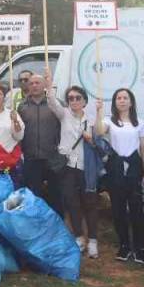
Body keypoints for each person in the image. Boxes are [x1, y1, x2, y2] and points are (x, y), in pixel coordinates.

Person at [97, 87, 144, 264]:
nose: (122, 100)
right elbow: (99, 132)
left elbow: (143, 148)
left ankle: (140, 248)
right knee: (118, 208)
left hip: (134, 166)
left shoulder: (140, 123)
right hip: (116, 167)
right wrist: (98, 112)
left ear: (131, 101)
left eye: (125, 97)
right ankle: (124, 246)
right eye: (118, 98)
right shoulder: (109, 121)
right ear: (114, 102)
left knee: (136, 208)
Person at [49, 85, 102, 259]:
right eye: (70, 98)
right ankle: (79, 237)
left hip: (87, 168)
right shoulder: (64, 115)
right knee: (72, 203)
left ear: (85, 101)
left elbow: (100, 144)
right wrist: (49, 83)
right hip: (68, 166)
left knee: (90, 204)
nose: (74, 101)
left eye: (78, 98)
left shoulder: (92, 120)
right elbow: (51, 101)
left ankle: (93, 241)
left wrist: (91, 139)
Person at [18, 74, 65, 217]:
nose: (34, 85)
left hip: (52, 158)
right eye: (31, 83)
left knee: (55, 196)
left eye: (37, 82)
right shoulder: (22, 106)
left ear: (44, 85)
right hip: (31, 158)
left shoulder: (55, 104)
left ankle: (57, 226)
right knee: (33, 196)